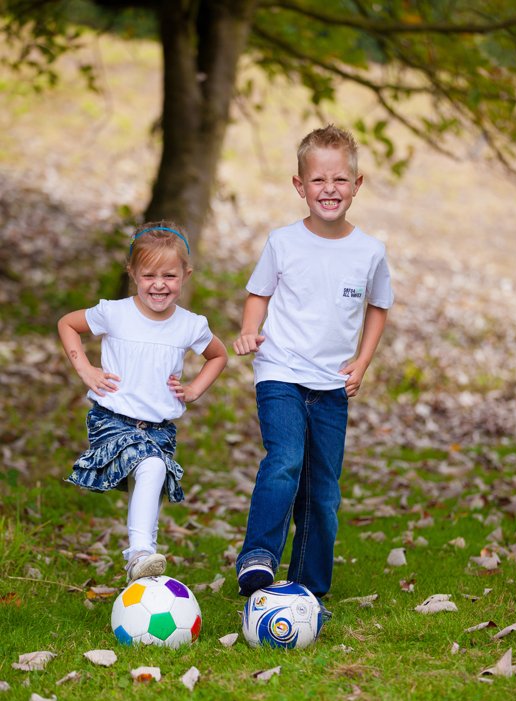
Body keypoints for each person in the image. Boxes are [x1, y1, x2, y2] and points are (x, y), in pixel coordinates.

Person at [233, 124, 393, 612]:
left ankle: (306, 588)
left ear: (358, 185)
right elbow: (258, 293)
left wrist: (362, 362)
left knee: (322, 492)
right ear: (299, 185)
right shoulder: (283, 242)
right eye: (318, 180)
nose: (329, 189)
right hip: (280, 371)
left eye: (340, 180)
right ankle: (258, 556)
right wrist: (248, 330)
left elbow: (378, 307)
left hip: (331, 386)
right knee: (284, 460)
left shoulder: (369, 252)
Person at [58, 222, 227, 583]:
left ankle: (143, 565)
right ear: (132, 272)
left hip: (159, 429)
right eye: (149, 274)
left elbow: (218, 355)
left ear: (186, 274)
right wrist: (85, 368)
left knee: (150, 478)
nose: (159, 283)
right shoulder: (114, 313)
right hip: (113, 420)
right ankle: (139, 554)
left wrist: (195, 388)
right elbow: (67, 324)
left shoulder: (190, 325)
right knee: (150, 467)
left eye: (170, 274)